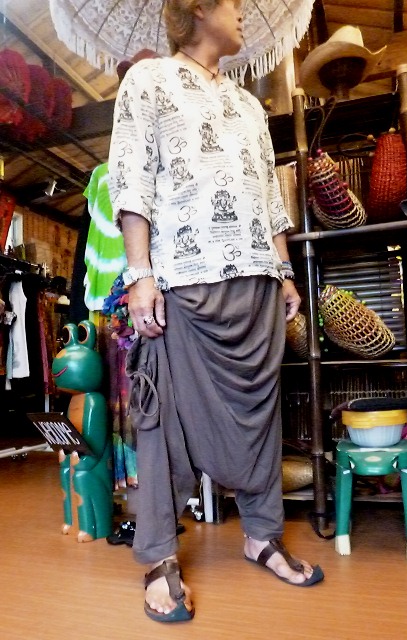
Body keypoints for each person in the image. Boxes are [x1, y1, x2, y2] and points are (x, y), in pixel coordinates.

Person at [108, 0, 324, 624]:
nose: (242, 15)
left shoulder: (250, 105)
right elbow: (132, 179)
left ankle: (261, 536)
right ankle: (159, 555)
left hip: (256, 281)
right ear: (199, 9)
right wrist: (140, 275)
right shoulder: (148, 79)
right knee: (163, 417)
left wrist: (284, 269)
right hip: (183, 280)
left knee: (261, 416)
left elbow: (267, 193)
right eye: (232, 4)